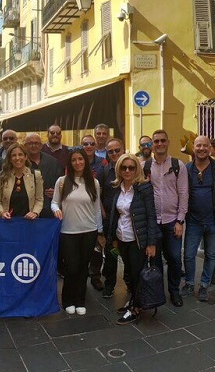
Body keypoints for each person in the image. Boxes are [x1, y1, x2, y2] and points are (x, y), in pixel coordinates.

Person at [104, 154, 159, 325]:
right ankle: (134, 301)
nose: (127, 171)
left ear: (137, 169)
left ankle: (135, 309)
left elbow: (151, 216)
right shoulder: (117, 187)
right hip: (122, 237)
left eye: (131, 167)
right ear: (118, 169)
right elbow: (115, 215)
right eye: (123, 167)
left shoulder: (144, 188)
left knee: (136, 275)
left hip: (138, 240)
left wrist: (151, 243)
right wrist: (113, 238)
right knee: (128, 273)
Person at [52, 149, 104, 316]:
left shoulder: (93, 182)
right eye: (74, 160)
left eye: (80, 159)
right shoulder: (62, 181)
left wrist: (100, 231)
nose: (78, 162)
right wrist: (56, 210)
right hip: (68, 231)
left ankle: (80, 300)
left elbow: (96, 209)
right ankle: (68, 300)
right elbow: (54, 202)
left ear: (85, 161)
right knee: (71, 267)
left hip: (89, 230)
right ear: (70, 163)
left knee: (83, 267)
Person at [145, 129, 188, 307]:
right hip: (153, 223)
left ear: (168, 142)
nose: (160, 144)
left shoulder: (178, 165)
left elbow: (183, 193)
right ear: (152, 145)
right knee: (154, 260)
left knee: (175, 258)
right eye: (156, 141)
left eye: (163, 140)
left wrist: (180, 221)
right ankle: (157, 292)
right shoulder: (145, 166)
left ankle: (174, 291)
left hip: (172, 221)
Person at [180, 135, 215, 303]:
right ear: (194, 147)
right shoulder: (186, 169)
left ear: (210, 148)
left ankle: (204, 285)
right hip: (193, 221)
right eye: (198, 145)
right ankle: (189, 283)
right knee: (189, 255)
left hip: (214, 221)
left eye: (205, 145)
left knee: (211, 255)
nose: (202, 148)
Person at [97, 138, 125, 297]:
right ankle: (109, 284)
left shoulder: (130, 166)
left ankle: (130, 282)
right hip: (109, 218)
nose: (114, 153)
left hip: (127, 218)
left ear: (123, 149)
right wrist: (103, 214)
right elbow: (98, 195)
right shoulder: (104, 171)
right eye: (110, 151)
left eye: (117, 150)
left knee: (128, 251)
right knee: (110, 253)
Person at [0, 143, 44, 219]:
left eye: (20, 155)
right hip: (8, 221)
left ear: (26, 157)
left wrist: (35, 212)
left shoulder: (36, 175)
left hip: (29, 221)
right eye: (14, 155)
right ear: (10, 159)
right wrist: (2, 213)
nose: (17, 158)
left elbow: (39, 199)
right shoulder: (2, 175)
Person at [24, 132, 62, 218]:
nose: (33, 146)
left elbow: (61, 183)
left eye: (36, 143)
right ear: (25, 145)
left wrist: (56, 192)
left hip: (48, 209)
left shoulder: (52, 162)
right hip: (27, 210)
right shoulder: (20, 163)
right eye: (30, 143)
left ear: (41, 145)